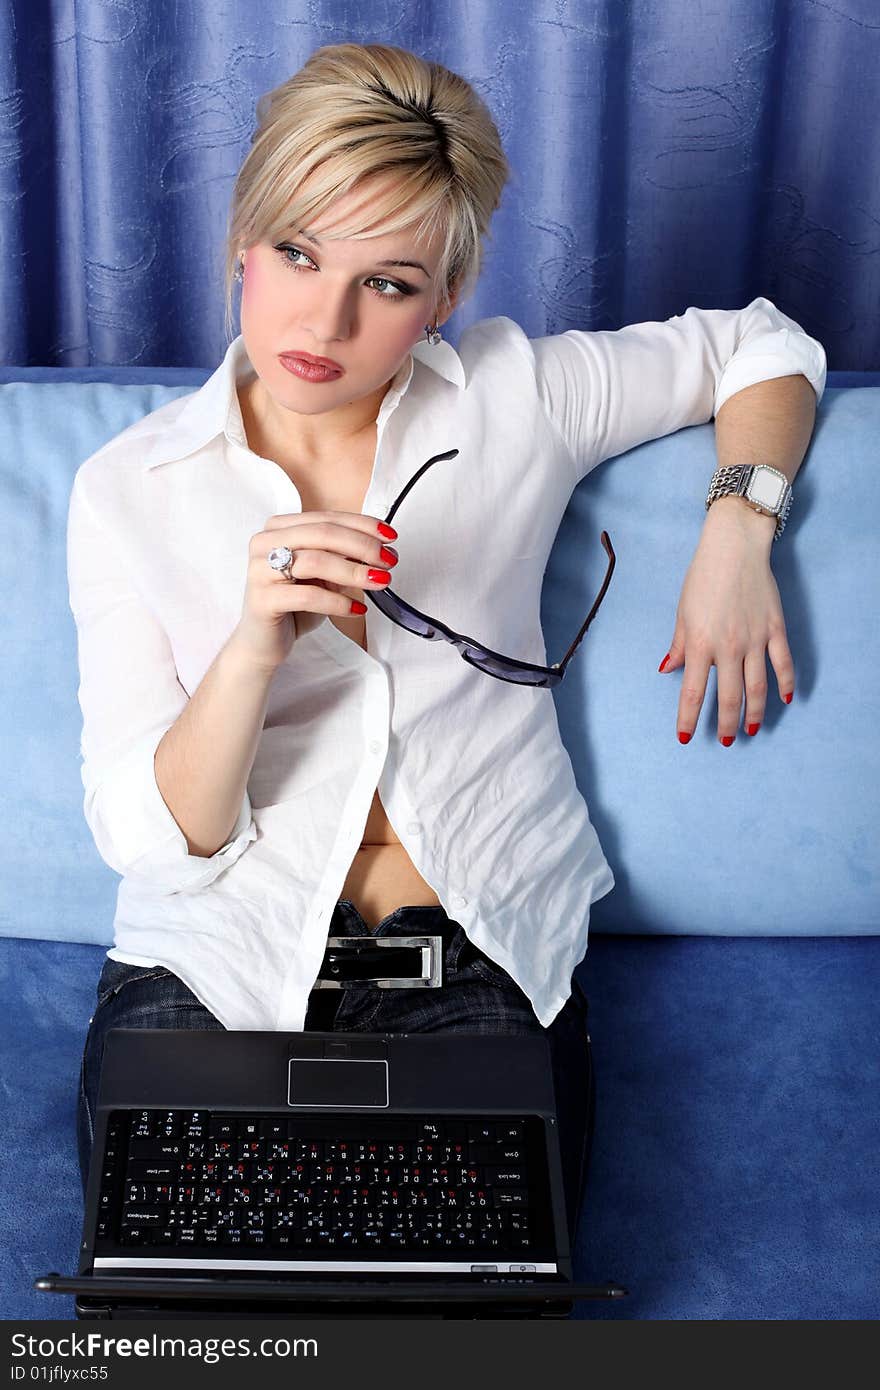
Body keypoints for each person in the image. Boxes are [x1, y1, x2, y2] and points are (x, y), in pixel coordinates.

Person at [70, 42, 826, 1264]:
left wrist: (737, 530)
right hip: (215, 955)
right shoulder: (127, 488)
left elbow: (763, 343)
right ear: (241, 242)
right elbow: (159, 839)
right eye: (298, 254)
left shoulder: (515, 396)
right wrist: (254, 642)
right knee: (185, 1300)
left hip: (479, 947)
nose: (323, 321)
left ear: (446, 295)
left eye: (389, 282)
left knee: (480, 1302)